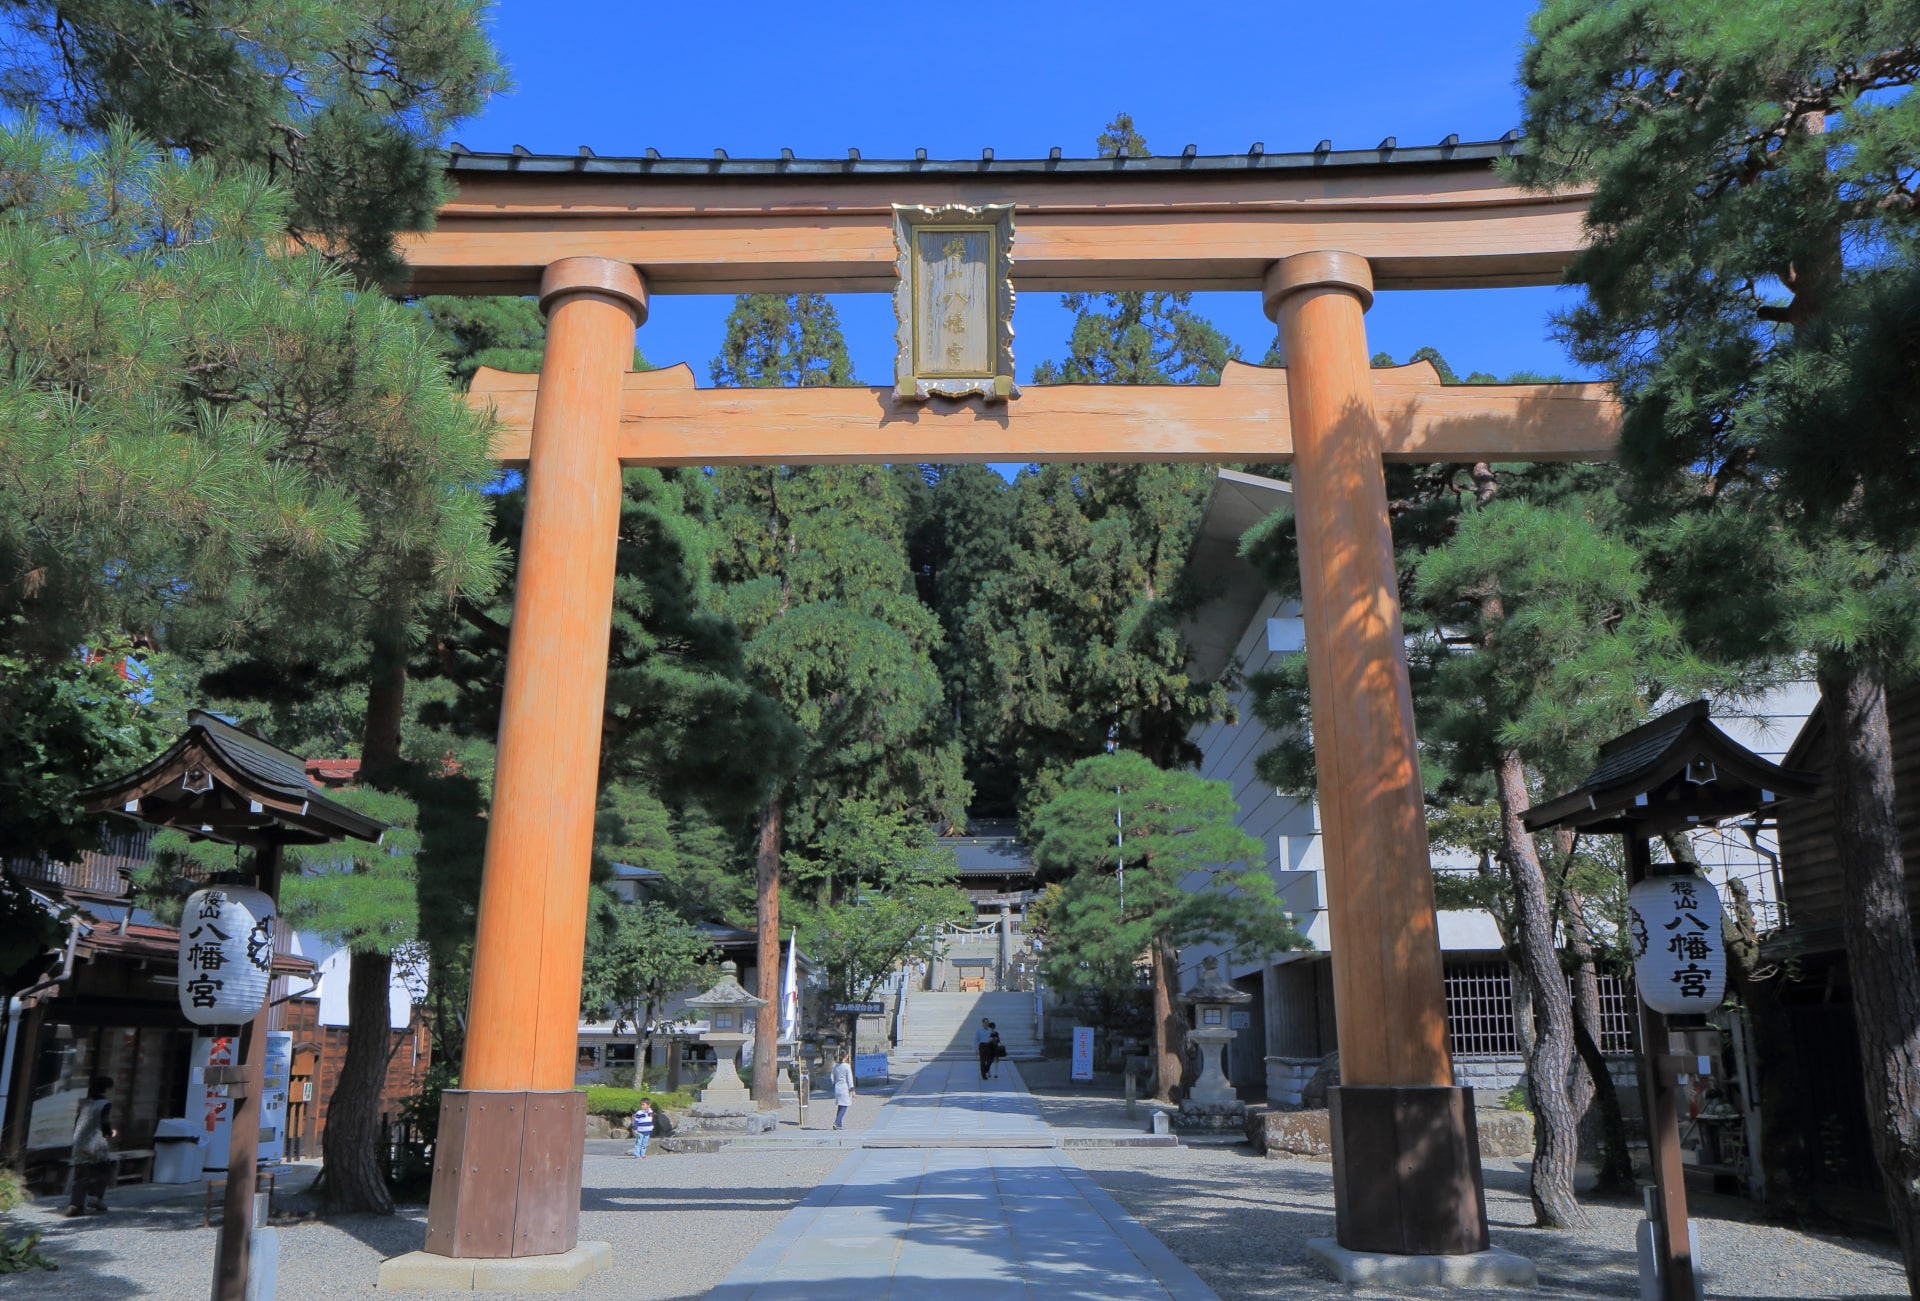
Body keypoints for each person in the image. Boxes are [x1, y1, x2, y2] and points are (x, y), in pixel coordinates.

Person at [66, 1075, 114, 1217]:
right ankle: (95, 1197)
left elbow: (77, 1122)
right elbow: (104, 1123)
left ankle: (75, 1204)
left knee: (81, 1175)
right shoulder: (104, 1104)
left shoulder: (85, 1103)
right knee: (103, 1169)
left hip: (79, 1142)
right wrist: (111, 1133)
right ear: (106, 1089)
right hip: (96, 1143)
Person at [831, 1051, 855, 1130]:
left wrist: (834, 1083)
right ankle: (836, 1122)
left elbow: (832, 1077)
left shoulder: (835, 1065)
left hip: (837, 1087)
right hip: (844, 1088)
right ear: (846, 1056)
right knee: (844, 1106)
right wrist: (852, 1089)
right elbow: (849, 1079)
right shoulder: (847, 1066)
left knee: (840, 1105)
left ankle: (839, 1124)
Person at [975, 1016, 994, 1081]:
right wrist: (976, 1048)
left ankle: (984, 1071)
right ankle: (983, 1075)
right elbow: (976, 1039)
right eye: (986, 1022)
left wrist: (992, 1039)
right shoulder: (979, 1030)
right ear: (983, 1023)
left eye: (988, 1022)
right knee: (982, 1061)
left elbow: (992, 1037)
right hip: (982, 1045)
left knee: (990, 1060)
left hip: (988, 1046)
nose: (987, 1024)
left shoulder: (990, 1030)